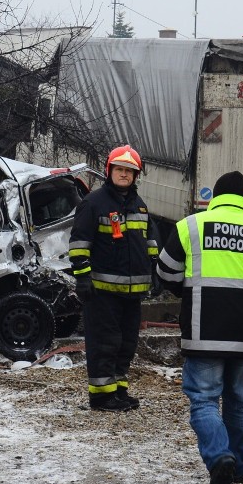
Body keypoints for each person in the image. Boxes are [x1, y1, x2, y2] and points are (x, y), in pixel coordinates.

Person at [157, 171, 243, 484]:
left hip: (203, 333)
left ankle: (219, 458)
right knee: (241, 401)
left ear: (215, 196)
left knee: (204, 400)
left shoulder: (190, 226)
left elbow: (165, 272)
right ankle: (238, 464)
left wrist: (186, 291)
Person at [68, 145, 159, 412]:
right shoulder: (93, 203)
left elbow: (150, 242)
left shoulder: (139, 206)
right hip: (102, 291)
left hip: (133, 293)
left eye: (129, 171)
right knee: (104, 344)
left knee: (126, 343)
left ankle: (118, 391)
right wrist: (83, 278)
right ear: (110, 171)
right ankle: (101, 396)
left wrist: (154, 270)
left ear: (135, 176)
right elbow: (79, 244)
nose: (124, 175)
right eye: (120, 169)